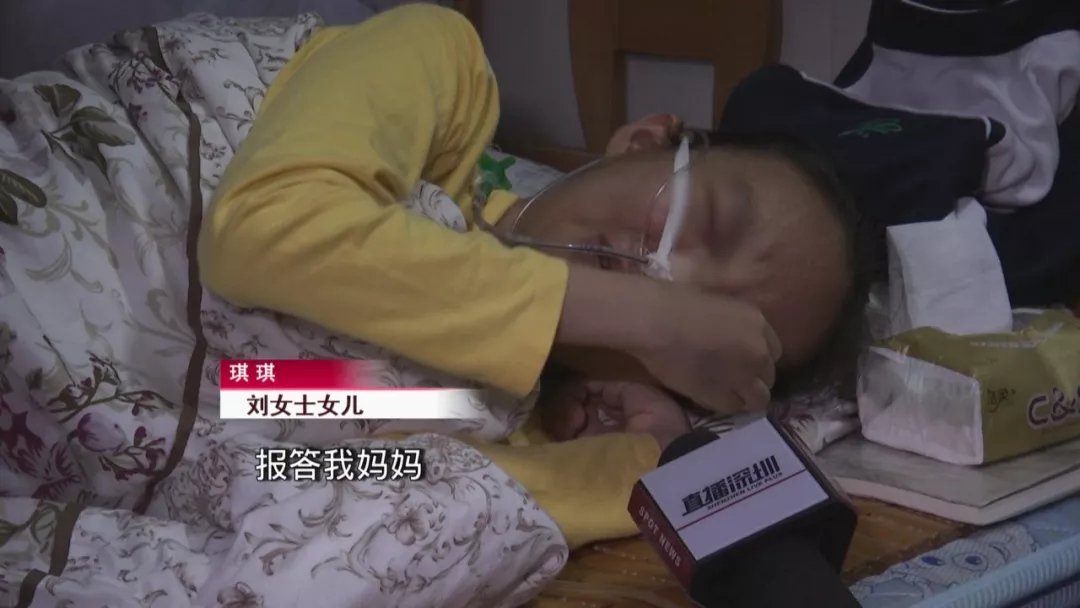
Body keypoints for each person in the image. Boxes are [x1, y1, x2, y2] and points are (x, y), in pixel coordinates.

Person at [199, 2, 864, 546]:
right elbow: (263, 227)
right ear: (642, 143)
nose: (667, 275)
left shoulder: (473, 407)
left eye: (709, 332)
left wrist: (640, 463)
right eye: (710, 222)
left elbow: (269, 458)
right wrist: (643, 315)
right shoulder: (442, 72)